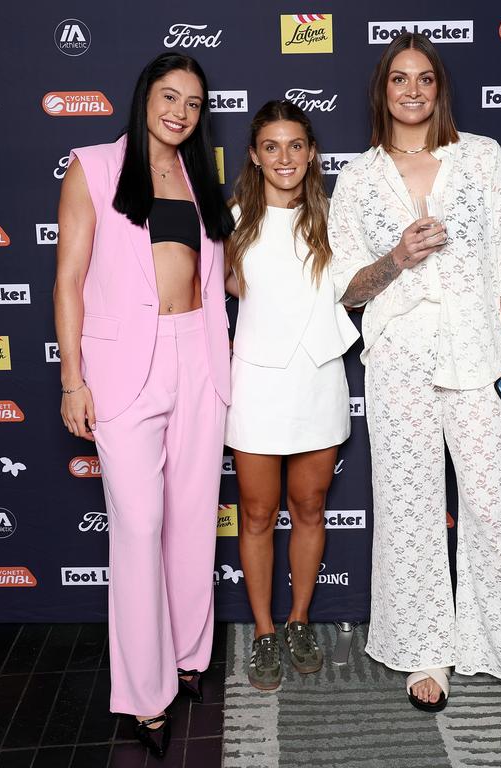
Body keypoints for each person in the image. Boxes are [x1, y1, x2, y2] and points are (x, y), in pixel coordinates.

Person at [328, 33, 501, 752]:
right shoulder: (360, 178)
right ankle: (425, 645)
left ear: (439, 89)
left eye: (425, 78)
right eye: (399, 79)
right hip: (396, 361)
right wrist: (396, 256)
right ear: (383, 91)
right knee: (408, 508)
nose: (413, 90)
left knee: (491, 509)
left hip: (478, 356)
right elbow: (349, 289)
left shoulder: (482, 158)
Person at [53, 52, 234, 759]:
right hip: (124, 363)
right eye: (169, 96)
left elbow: (213, 273)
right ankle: (143, 695)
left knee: (191, 520)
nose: (179, 112)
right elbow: (68, 280)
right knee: (138, 527)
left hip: (198, 354)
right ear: (144, 97)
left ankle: (189, 656)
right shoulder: (93, 166)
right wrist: (73, 378)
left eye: (192, 103)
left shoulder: (197, 176)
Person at [224, 100, 359, 691]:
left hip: (317, 379)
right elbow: (217, 288)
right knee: (255, 514)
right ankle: (262, 629)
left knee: (309, 508)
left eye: (296, 145)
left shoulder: (334, 217)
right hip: (255, 381)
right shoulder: (230, 219)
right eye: (272, 146)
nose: (285, 157)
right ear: (254, 155)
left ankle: (299, 619)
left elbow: (357, 288)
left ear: (312, 153)